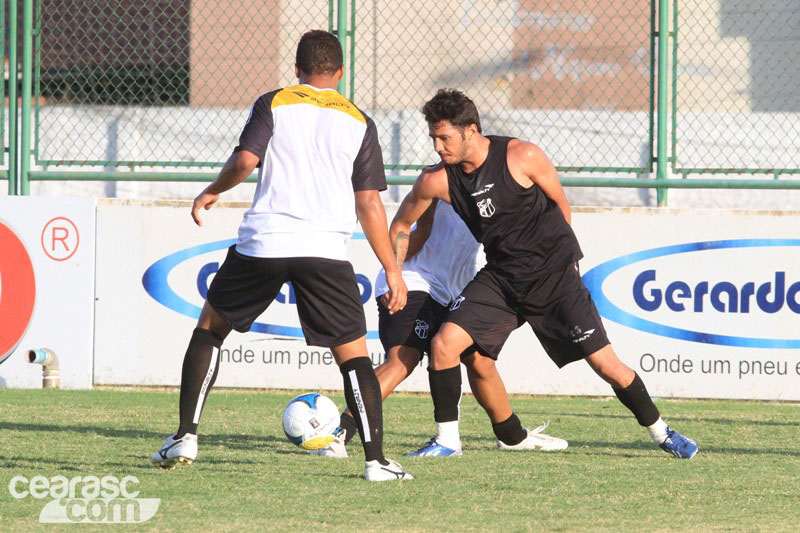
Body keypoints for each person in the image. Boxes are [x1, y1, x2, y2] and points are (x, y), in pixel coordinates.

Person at [150, 30, 413, 481]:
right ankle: (377, 462)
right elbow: (369, 203)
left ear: (296, 68)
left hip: (265, 243)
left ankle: (185, 437)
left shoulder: (274, 101)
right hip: (325, 250)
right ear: (342, 72)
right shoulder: (359, 120)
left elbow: (246, 161)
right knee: (353, 356)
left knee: (210, 330)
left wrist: (213, 190)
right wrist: (393, 269)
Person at [390, 89, 698, 459]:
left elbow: (560, 204)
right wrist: (395, 272)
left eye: (444, 137)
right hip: (502, 278)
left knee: (607, 366)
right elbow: (402, 225)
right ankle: (448, 441)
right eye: (433, 138)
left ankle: (661, 432)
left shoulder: (522, 156)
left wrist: (562, 261)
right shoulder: (436, 180)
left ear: (471, 130)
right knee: (444, 345)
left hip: (555, 280)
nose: (438, 147)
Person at [312, 199, 568, 458]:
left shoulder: (502, 180)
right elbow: (418, 230)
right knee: (404, 359)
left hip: (458, 288)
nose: (440, 154)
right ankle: (339, 433)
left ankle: (513, 436)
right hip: (415, 278)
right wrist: (395, 274)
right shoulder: (442, 178)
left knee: (480, 361)